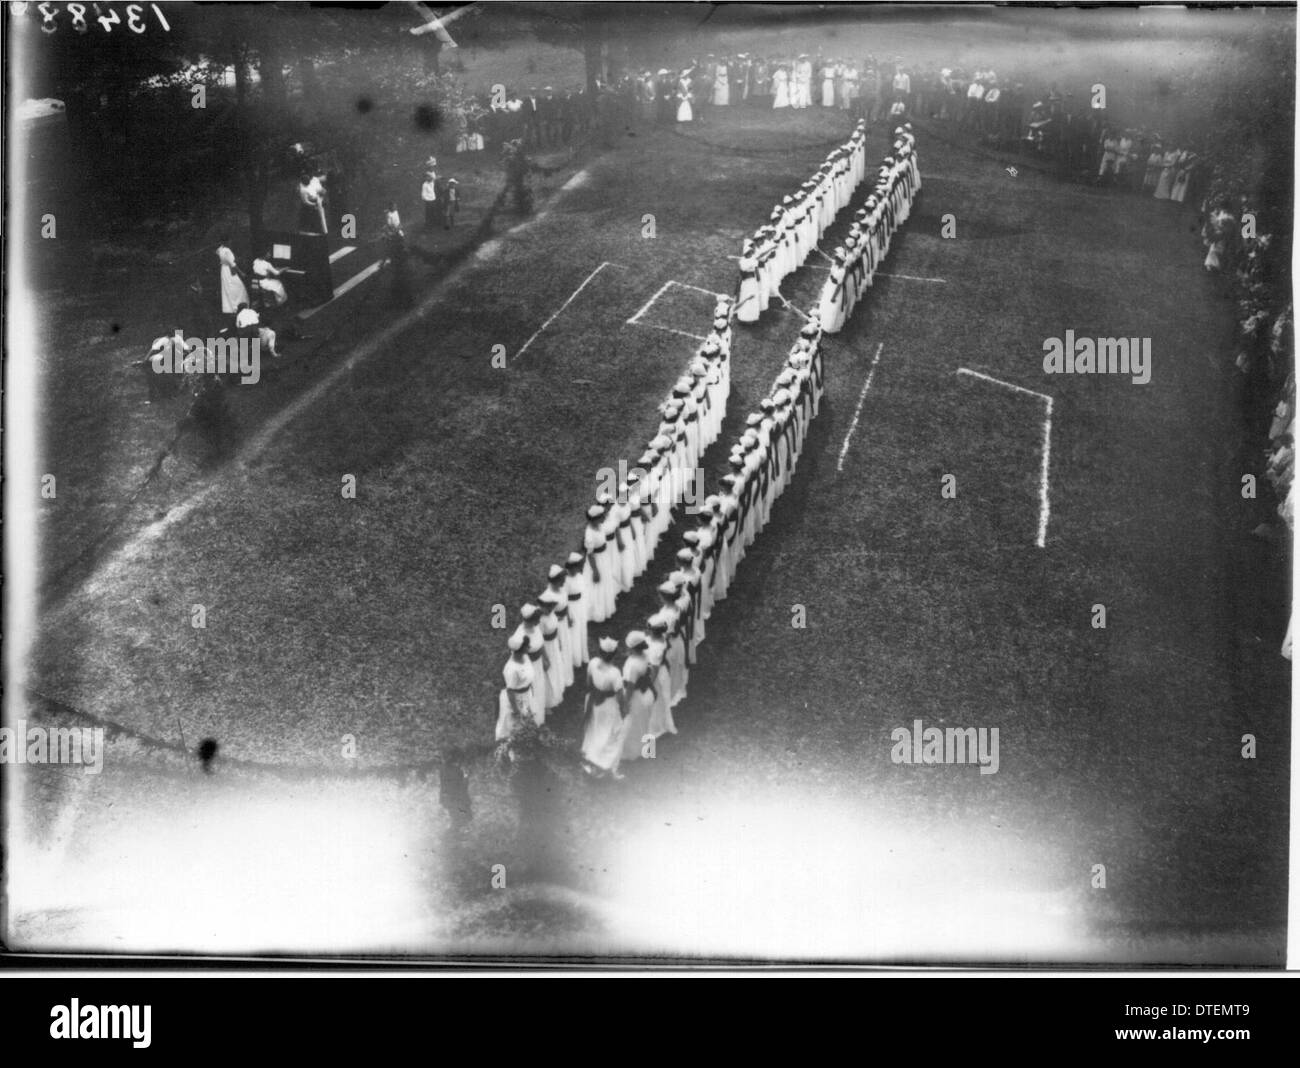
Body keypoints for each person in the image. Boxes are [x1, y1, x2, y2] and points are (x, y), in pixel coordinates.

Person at [581, 637, 626, 778]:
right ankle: (602, 761)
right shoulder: (615, 673)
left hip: (594, 701)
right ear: (614, 655)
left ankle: (591, 754)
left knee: (595, 727)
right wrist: (624, 710)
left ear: (600, 652)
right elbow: (619, 696)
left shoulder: (593, 663)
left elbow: (588, 682)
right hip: (608, 705)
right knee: (610, 731)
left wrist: (595, 692)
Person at [619, 632, 656, 763]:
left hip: (636, 697)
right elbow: (651, 671)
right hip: (647, 693)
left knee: (632, 725)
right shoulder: (645, 655)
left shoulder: (632, 665)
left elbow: (629, 687)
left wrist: (624, 703)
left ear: (633, 648)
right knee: (647, 722)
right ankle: (649, 751)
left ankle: (633, 753)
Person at [496, 633, 534, 741]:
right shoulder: (512, 669)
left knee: (526, 722)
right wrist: (516, 710)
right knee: (515, 726)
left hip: (526, 694)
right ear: (521, 649)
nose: (529, 647)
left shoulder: (525, 657)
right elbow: (510, 691)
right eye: (527, 646)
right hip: (516, 699)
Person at [438, 749, 472, 828]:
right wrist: (466, 776)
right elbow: (462, 787)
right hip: (455, 799)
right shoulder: (454, 770)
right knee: (460, 818)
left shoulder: (444, 769)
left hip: (451, 799)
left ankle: (456, 828)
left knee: (457, 817)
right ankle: (456, 829)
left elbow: (446, 785)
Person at [217, 240, 250, 317]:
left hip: (224, 270)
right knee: (239, 288)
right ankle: (236, 307)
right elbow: (232, 264)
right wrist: (241, 273)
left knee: (228, 289)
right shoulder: (227, 251)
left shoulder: (220, 249)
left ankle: (230, 307)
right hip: (229, 271)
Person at [421, 166, 439, 231]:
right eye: (427, 177)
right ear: (425, 178)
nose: (429, 178)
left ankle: (433, 224)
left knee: (433, 213)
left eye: (429, 177)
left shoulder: (431, 183)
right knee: (428, 214)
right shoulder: (424, 185)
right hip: (428, 202)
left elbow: (433, 178)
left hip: (433, 200)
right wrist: (427, 199)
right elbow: (423, 195)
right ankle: (428, 226)